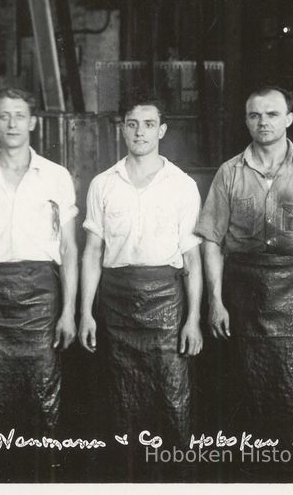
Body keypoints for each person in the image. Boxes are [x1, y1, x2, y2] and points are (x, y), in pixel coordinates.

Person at [195, 86, 293, 441]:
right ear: (246, 120)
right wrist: (216, 302)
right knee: (242, 394)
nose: (263, 122)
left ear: (289, 119)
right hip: (241, 298)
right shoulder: (229, 172)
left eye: (272, 114)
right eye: (254, 115)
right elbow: (211, 240)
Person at [78, 94, 203, 453]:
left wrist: (193, 319)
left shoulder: (182, 185)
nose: (140, 132)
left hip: (166, 299)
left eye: (149, 124)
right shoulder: (103, 183)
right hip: (116, 302)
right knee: (120, 398)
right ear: (122, 130)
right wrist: (85, 312)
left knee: (172, 396)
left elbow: (191, 259)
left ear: (162, 130)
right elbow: (92, 252)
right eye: (132, 124)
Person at [0, 88, 78, 438]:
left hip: (42, 297)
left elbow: (69, 248)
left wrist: (69, 312)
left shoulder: (56, 176)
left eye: (20, 116)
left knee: (44, 394)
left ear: (33, 122)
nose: (12, 124)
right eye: (4, 116)